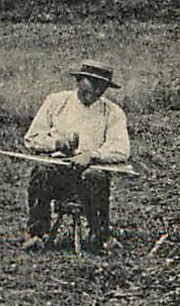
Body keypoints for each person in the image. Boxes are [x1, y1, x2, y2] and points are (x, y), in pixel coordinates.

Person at [20, 59, 130, 252]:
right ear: (79, 80)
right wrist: (56, 143)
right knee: (41, 171)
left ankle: (100, 236)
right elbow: (32, 138)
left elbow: (121, 148)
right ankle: (37, 234)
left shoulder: (112, 112)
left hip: (89, 172)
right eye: (91, 84)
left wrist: (92, 155)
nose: (96, 91)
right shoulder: (56, 102)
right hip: (58, 170)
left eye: (101, 87)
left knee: (96, 177)